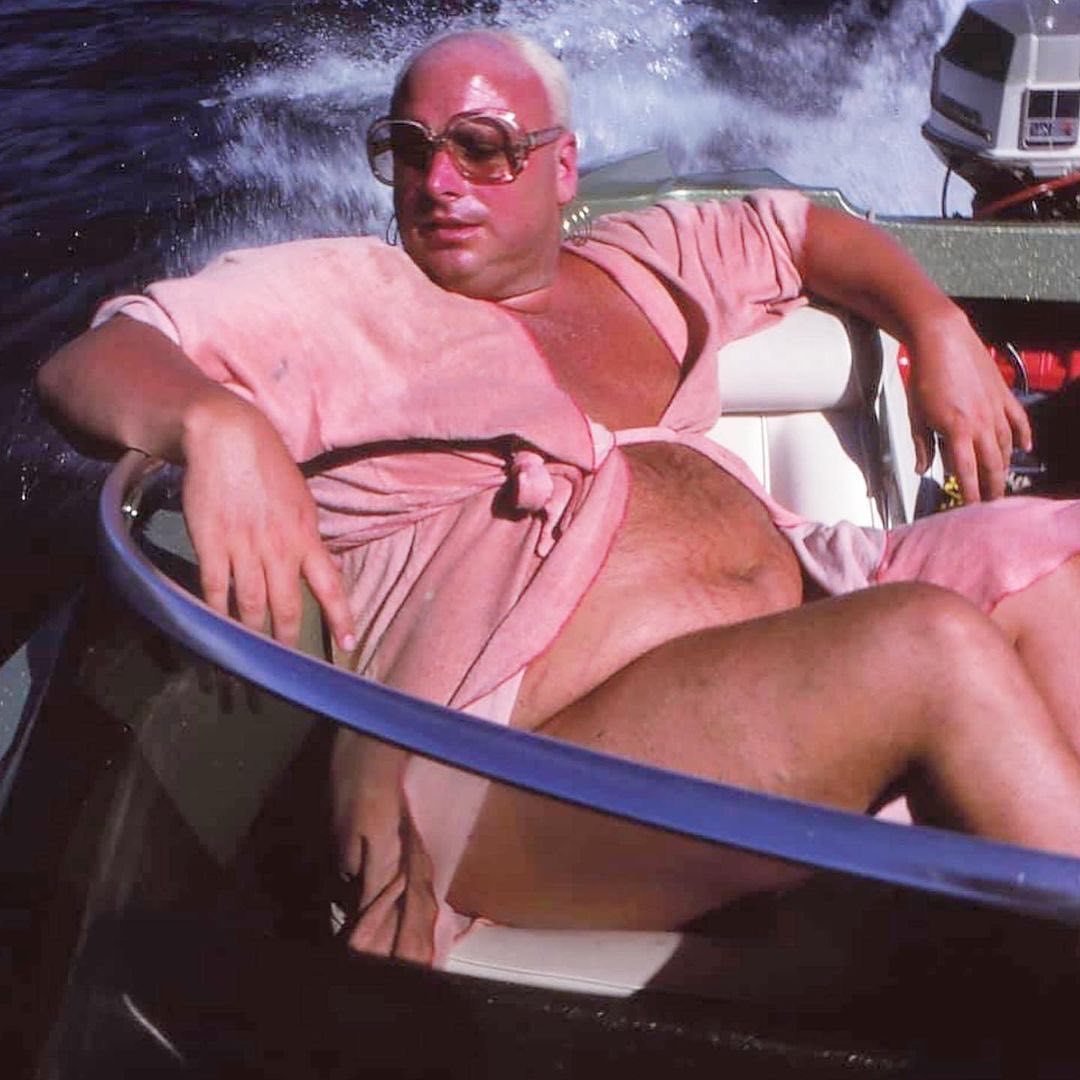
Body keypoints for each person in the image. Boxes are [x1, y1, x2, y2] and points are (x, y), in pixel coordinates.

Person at [38, 29, 1080, 966]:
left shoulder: (640, 263)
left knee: (1053, 555)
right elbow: (99, 359)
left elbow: (799, 232)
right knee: (927, 646)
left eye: (482, 148)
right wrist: (210, 424)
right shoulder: (349, 297)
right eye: (410, 149)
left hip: (776, 649)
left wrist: (934, 322)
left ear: (562, 167)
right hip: (504, 769)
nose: (441, 182)